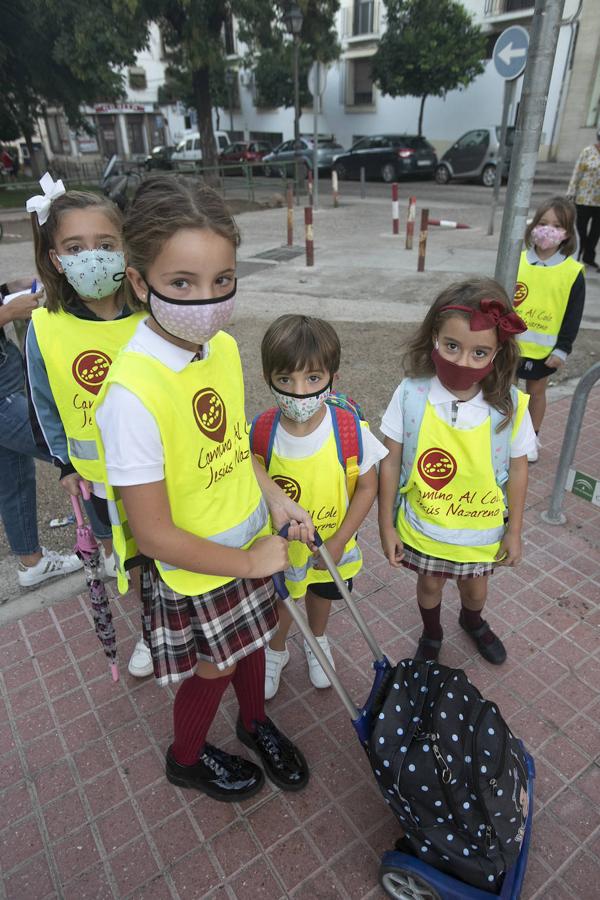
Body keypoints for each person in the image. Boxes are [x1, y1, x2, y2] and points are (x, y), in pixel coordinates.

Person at [93, 175, 313, 802]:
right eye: (182, 283)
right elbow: (156, 534)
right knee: (216, 663)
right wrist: (246, 559)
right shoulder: (132, 395)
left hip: (248, 545)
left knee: (250, 646)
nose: (207, 300)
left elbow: (234, 449)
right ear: (139, 282)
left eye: (222, 280)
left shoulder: (216, 347)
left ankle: (254, 722)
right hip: (200, 567)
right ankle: (185, 757)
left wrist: (272, 495)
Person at [24, 173, 152, 678]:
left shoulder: (151, 312)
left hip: (160, 467)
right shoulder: (46, 325)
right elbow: (42, 404)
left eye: (104, 244)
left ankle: (183, 616)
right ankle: (150, 629)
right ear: (57, 259)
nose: (91, 256)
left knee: (168, 544)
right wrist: (63, 464)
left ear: (125, 249)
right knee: (130, 556)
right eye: (75, 247)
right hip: (99, 477)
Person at [378, 279, 535, 666]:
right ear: (434, 336)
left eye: (479, 352)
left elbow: (517, 469)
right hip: (424, 526)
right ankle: (432, 632)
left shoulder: (509, 405)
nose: (463, 361)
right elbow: (391, 459)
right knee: (428, 584)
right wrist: (385, 525)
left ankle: (472, 620)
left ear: (497, 352)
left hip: (480, 534)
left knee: (476, 592)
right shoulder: (411, 394)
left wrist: (514, 530)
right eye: (452, 346)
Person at [251, 314, 387, 698]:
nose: (298, 392)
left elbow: (367, 486)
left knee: (323, 594)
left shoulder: (349, 431)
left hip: (334, 547)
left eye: (312, 379)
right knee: (283, 601)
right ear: (268, 379)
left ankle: (318, 640)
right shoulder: (261, 432)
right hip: (282, 550)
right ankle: (275, 650)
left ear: (332, 379)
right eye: (285, 380)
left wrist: (342, 539)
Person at [0, 276, 82, 586]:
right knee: (72, 456)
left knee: (15, 478)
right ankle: (107, 549)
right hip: (2, 396)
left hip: (7, 375)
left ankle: (32, 563)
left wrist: (7, 289)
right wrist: (7, 313)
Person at [514, 196, 585, 462]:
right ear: (533, 225)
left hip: (544, 351)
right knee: (507, 392)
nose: (548, 229)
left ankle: (531, 438)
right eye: (543, 222)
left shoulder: (572, 272)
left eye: (556, 225)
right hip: (511, 346)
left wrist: (563, 350)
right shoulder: (517, 261)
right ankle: (506, 434)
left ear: (566, 233)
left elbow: (572, 316)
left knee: (536, 393)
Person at [567, 129, 600, 271]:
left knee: (596, 231)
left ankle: (589, 257)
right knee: (580, 228)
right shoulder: (587, 151)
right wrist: (571, 191)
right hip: (583, 198)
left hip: (599, 202)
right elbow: (577, 172)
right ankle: (579, 253)